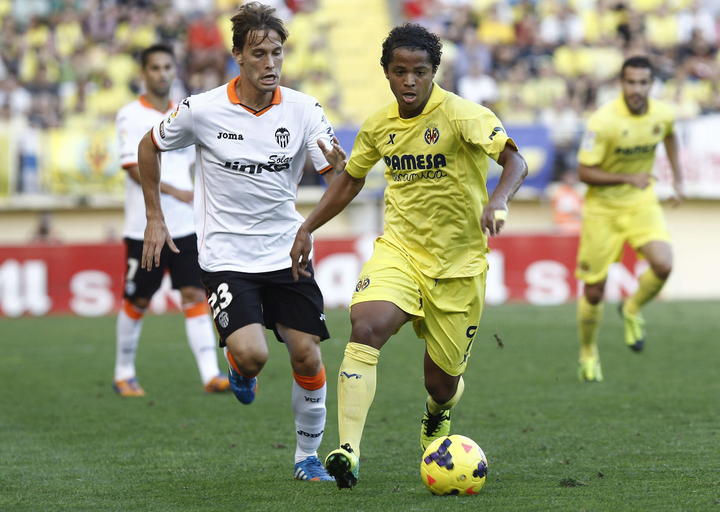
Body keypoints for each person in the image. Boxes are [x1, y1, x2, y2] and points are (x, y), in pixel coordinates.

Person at [290, 23, 528, 489]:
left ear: (434, 71)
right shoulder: (379, 125)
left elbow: (514, 160)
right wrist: (307, 226)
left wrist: (498, 200)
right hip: (400, 252)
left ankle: (436, 415)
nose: (410, 81)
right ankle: (348, 452)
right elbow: (351, 179)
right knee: (366, 325)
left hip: (459, 267)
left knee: (441, 385)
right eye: (400, 71)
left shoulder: (462, 115)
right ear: (386, 72)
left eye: (420, 71)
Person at [137, 3, 336, 482]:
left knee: (307, 354)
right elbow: (149, 145)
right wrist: (155, 217)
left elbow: (338, 178)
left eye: (277, 53)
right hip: (226, 255)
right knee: (254, 356)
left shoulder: (305, 109)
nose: (271, 63)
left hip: (285, 251)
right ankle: (238, 364)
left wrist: (334, 190)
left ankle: (306, 457)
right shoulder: (202, 110)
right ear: (238, 57)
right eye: (259, 54)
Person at [114, 44, 229, 397]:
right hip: (145, 226)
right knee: (139, 299)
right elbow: (133, 167)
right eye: (155, 68)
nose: (162, 73)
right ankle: (123, 373)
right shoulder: (130, 115)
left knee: (194, 293)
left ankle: (210, 374)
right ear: (143, 73)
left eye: (167, 67)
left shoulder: (185, 112)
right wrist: (175, 191)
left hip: (186, 226)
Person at [575, 55, 684, 382]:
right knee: (594, 291)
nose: (637, 89)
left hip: (640, 203)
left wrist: (678, 180)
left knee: (663, 264)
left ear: (651, 85)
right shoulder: (603, 121)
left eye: (643, 83)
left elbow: (670, 136)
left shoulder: (662, 114)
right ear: (621, 83)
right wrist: (626, 178)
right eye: (631, 82)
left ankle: (632, 308)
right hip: (602, 210)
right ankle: (588, 351)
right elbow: (584, 172)